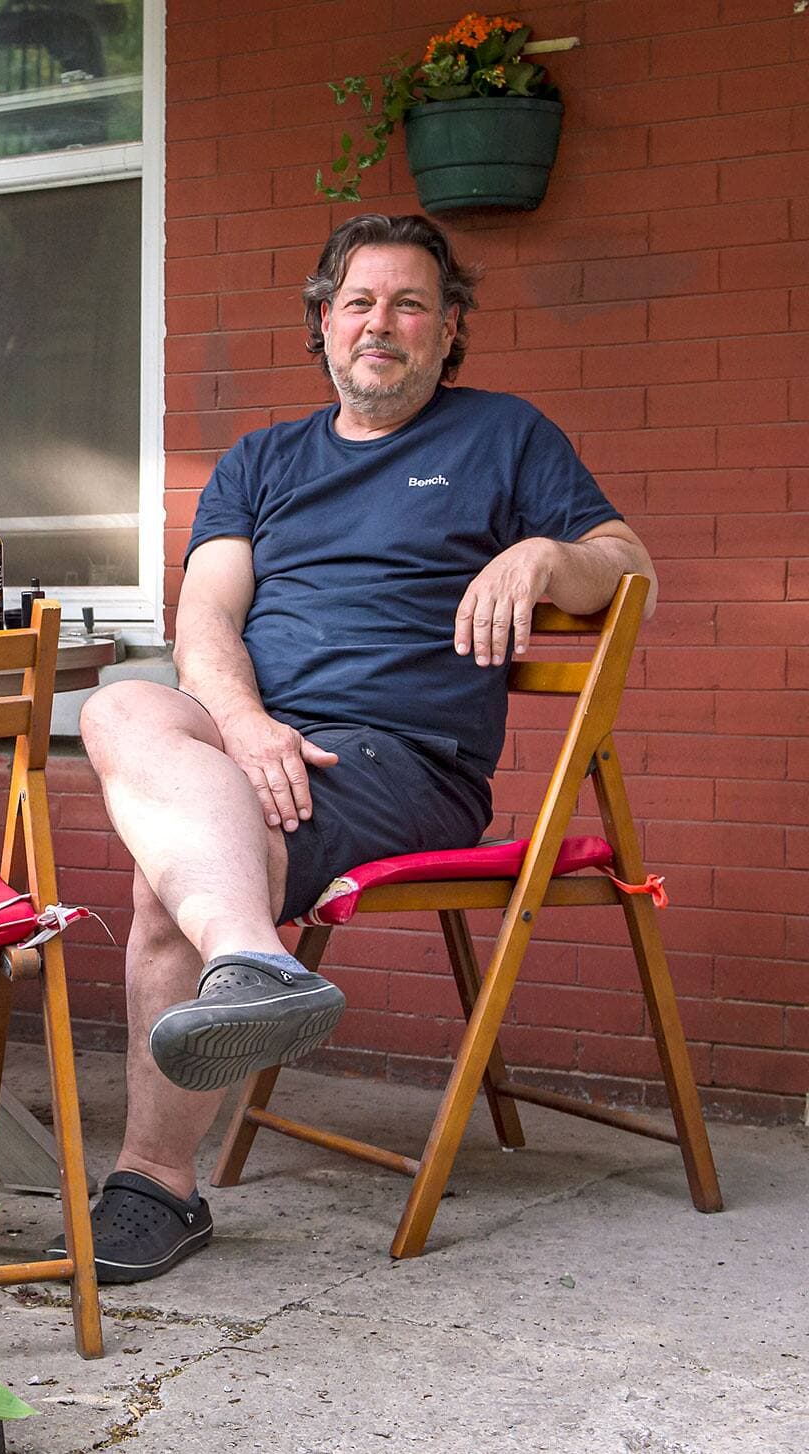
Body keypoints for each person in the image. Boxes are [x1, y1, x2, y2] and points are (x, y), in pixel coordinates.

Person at [74, 214, 656, 1283]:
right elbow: (203, 620)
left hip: (399, 756)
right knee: (116, 704)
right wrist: (245, 727)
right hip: (253, 732)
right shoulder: (258, 460)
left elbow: (626, 566)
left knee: (169, 887)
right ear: (323, 326)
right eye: (357, 301)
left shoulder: (503, 436)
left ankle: (154, 1181)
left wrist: (540, 553)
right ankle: (254, 958)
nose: (378, 323)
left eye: (408, 303)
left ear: (446, 331)